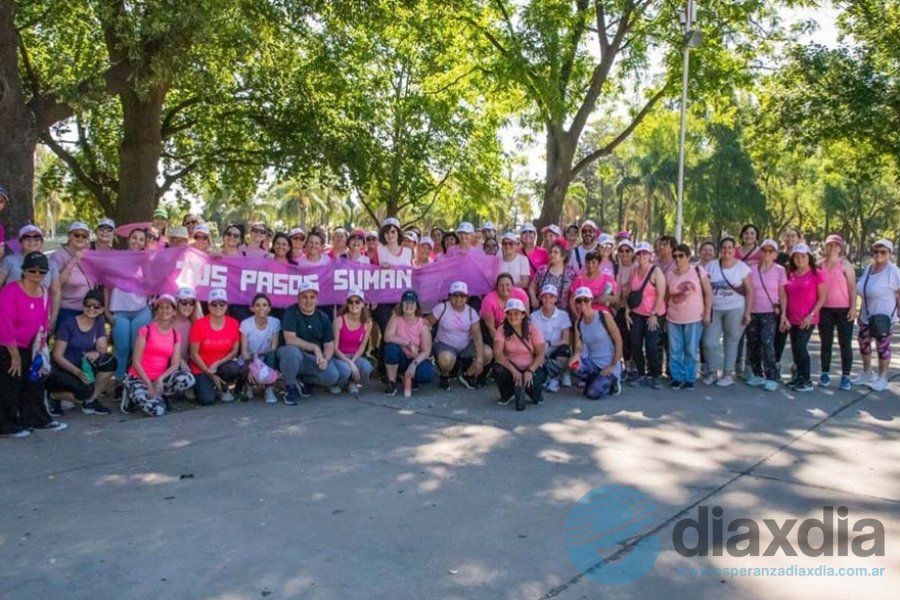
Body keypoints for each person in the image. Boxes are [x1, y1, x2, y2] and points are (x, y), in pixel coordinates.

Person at [0, 252, 67, 437]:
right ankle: (7, 425)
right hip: (8, 346)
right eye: (32, 270)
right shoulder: (11, 291)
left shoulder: (44, 293)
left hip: (32, 346)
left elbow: (42, 321)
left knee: (34, 383)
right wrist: (14, 355)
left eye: (42, 271)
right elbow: (4, 324)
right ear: (24, 270)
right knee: (10, 385)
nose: (37, 274)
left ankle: (37, 419)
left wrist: (41, 348)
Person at [45, 289, 116, 415]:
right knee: (83, 394)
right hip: (63, 368)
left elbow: (102, 347)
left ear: (101, 309)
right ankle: (53, 396)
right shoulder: (68, 323)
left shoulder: (99, 322)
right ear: (83, 306)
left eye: (96, 306)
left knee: (109, 361)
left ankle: (90, 401)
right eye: (88, 305)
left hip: (83, 366)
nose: (92, 309)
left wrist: (97, 353)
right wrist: (77, 372)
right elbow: (57, 355)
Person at [123, 294, 196, 416]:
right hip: (139, 377)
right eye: (161, 307)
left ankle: (159, 395)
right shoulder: (146, 330)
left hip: (159, 377)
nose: (164, 311)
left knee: (188, 379)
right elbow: (136, 362)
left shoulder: (175, 334)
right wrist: (148, 384)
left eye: (168, 308)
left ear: (174, 311)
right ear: (156, 311)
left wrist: (160, 379)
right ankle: (131, 394)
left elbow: (175, 364)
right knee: (158, 411)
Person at [278, 281, 349, 403]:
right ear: (298, 298)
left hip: (314, 359)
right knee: (291, 352)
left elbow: (329, 345)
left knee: (335, 374)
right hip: (295, 356)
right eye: (304, 297)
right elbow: (290, 339)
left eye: (312, 297)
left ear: (317, 299)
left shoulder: (323, 317)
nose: (308, 301)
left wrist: (325, 360)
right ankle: (290, 386)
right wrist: (314, 347)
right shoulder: (291, 311)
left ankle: (304, 381)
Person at [702, 237, 754, 387]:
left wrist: (747, 312)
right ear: (720, 250)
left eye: (730, 247)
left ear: (734, 249)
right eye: (724, 247)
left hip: (735, 308)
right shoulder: (711, 266)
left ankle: (727, 374)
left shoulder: (742, 267)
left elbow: (750, 291)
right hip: (715, 308)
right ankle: (712, 372)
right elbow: (705, 288)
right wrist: (705, 310)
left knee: (731, 341)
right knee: (709, 342)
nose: (727, 250)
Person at [853, 239, 900, 392]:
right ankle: (867, 372)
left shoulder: (893, 272)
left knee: (882, 347)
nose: (878, 254)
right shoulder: (869, 268)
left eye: (883, 252)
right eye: (876, 251)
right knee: (863, 343)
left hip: (884, 317)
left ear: (890, 254)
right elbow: (862, 290)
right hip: (867, 315)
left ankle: (882, 377)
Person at [105, 227, 151, 382]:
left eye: (141, 239)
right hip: (120, 311)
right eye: (134, 237)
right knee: (122, 349)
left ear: (144, 243)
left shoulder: (146, 261)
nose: (137, 241)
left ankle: (134, 381)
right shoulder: (116, 259)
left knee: (137, 350)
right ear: (128, 239)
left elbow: (152, 284)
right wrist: (106, 311)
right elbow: (107, 286)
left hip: (141, 311)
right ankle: (119, 382)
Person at [665, 244, 711, 390]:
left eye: (681, 256)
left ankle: (690, 377)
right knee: (675, 350)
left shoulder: (698, 271)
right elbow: (666, 296)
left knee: (690, 350)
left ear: (688, 257)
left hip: (694, 318)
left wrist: (707, 313)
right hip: (673, 318)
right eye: (675, 256)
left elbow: (708, 294)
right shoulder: (670, 275)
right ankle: (677, 377)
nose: (678, 259)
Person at [781, 243, 826, 392]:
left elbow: (822, 297)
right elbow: (785, 295)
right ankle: (798, 377)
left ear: (809, 257)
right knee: (795, 348)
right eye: (797, 257)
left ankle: (806, 380)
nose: (800, 259)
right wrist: (784, 316)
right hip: (792, 318)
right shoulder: (790, 274)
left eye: (803, 256)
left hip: (807, 318)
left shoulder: (816, 274)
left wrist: (810, 315)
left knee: (801, 346)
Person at [428, 281, 488, 390]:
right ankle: (444, 376)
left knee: (487, 353)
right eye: (455, 295)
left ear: (467, 297)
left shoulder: (471, 312)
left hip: (466, 346)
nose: (459, 298)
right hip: (445, 345)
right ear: (449, 296)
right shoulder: (442, 308)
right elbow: (426, 323)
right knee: (446, 360)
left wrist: (479, 359)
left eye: (462, 295)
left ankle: (468, 375)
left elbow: (477, 336)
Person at [0, 225, 62, 329]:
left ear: (42, 242)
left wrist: (53, 318)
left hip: (39, 316)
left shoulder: (51, 264)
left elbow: (56, 292)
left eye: (36, 237)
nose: (32, 240)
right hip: (12, 314)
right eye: (27, 237)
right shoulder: (9, 261)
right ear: (20, 242)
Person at [746, 239, 787, 392]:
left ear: (775, 254)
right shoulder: (751, 269)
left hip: (769, 312)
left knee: (767, 342)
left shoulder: (779, 270)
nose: (767, 254)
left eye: (771, 251)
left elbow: (782, 294)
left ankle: (771, 376)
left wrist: (783, 314)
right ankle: (757, 374)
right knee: (753, 343)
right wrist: (746, 311)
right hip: (753, 311)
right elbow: (747, 290)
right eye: (764, 250)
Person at [625, 242, 667, 389]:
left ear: (650, 255)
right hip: (637, 313)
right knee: (635, 343)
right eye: (639, 253)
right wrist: (627, 310)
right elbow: (630, 292)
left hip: (653, 313)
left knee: (652, 345)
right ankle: (640, 372)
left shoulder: (656, 271)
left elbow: (661, 294)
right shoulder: (634, 271)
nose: (641, 256)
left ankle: (655, 374)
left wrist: (654, 314)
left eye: (645, 253)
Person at [817, 234, 857, 390]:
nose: (833, 248)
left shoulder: (846, 265)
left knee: (845, 343)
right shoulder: (819, 265)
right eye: (830, 245)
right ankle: (825, 373)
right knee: (826, 343)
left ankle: (846, 376)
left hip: (843, 309)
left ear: (840, 248)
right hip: (825, 309)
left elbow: (852, 288)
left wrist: (853, 307)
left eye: (836, 245)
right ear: (826, 247)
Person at [189, 289, 241, 406]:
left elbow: (234, 351)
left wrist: (216, 364)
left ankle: (224, 387)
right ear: (208, 306)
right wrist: (211, 375)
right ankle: (203, 385)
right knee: (207, 400)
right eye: (214, 304)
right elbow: (193, 354)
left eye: (222, 304)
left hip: (221, 366)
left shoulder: (234, 323)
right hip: (202, 367)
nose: (218, 307)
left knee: (233, 368)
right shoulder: (199, 324)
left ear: (227, 306)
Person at [492, 298, 546, 410]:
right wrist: (514, 371)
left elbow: (541, 353)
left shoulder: (533, 328)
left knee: (536, 396)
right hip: (511, 366)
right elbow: (497, 353)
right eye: (510, 314)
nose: (513, 317)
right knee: (498, 368)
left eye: (516, 313)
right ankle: (507, 394)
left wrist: (530, 370)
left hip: (531, 366)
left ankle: (533, 393)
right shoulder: (502, 329)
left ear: (523, 315)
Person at [570, 287, 623, 399]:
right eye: (579, 301)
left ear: (591, 300)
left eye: (586, 300)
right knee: (574, 367)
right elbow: (578, 345)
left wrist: (613, 365)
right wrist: (576, 355)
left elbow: (618, 340)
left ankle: (613, 384)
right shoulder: (578, 323)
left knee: (591, 393)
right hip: (593, 363)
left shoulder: (604, 316)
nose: (582, 303)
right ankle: (596, 380)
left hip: (609, 363)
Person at [382, 290, 435, 395]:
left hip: (416, 358)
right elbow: (387, 337)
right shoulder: (396, 318)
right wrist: (408, 342)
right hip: (401, 357)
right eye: (406, 302)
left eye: (411, 303)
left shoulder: (422, 323)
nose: (408, 305)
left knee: (426, 375)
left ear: (416, 306)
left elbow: (426, 350)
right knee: (390, 348)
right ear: (401, 304)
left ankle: (413, 379)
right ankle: (392, 382)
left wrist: (414, 364)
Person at [49, 221, 95, 328]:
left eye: (84, 236)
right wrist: (73, 260)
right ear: (69, 236)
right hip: (68, 310)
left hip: (89, 309)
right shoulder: (58, 256)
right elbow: (56, 284)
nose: (80, 238)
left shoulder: (89, 254)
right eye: (77, 235)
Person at [239, 293, 281, 403]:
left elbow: (273, 347)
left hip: (266, 358)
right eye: (257, 305)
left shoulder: (275, 322)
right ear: (252, 309)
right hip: (249, 358)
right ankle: (248, 385)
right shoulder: (245, 324)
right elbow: (244, 352)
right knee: (245, 368)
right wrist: (252, 366)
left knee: (272, 355)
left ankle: (269, 388)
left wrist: (261, 365)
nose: (261, 308)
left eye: (264, 305)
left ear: (269, 308)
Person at [530, 284, 572, 392]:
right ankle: (550, 376)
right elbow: (531, 338)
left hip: (555, 350)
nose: (548, 299)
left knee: (565, 350)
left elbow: (565, 340)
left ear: (556, 299)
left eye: (551, 296)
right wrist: (540, 349)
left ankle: (557, 376)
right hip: (539, 350)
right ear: (540, 298)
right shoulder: (533, 316)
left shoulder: (563, 315)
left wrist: (548, 343)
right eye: (545, 296)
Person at [332, 289, 374, 395]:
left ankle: (352, 383)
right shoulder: (339, 320)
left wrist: (353, 361)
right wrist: (350, 363)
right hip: (339, 356)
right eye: (350, 302)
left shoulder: (368, 323)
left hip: (355, 356)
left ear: (363, 304)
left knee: (366, 367)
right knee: (346, 370)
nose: (354, 304)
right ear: (347, 304)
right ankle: (336, 383)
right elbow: (335, 348)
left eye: (357, 301)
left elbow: (362, 347)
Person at [481, 273, 530, 347]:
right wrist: (503, 346)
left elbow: (526, 318)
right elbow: (491, 328)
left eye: (507, 285)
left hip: (516, 328)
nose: (504, 288)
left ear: (513, 286)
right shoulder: (489, 300)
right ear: (497, 287)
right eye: (501, 285)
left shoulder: (521, 294)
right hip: (495, 330)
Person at [529, 240, 577, 309]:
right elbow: (532, 287)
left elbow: (575, 292)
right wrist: (533, 299)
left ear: (563, 256)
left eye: (556, 252)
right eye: (551, 252)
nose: (552, 254)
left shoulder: (571, 272)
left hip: (562, 311)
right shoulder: (543, 270)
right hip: (542, 309)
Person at [569, 251, 618, 315]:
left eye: (593, 262)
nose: (590, 265)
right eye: (588, 263)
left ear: (599, 263)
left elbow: (617, 299)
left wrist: (606, 297)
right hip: (583, 315)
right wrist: (576, 315)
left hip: (602, 314)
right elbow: (571, 300)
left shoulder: (607, 279)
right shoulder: (579, 279)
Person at [614, 239, 637, 377]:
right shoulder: (617, 267)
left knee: (634, 338)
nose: (624, 254)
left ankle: (635, 366)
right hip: (620, 307)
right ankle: (627, 365)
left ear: (632, 253)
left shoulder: (637, 267)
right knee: (623, 337)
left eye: (627, 251)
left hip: (634, 308)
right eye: (621, 251)